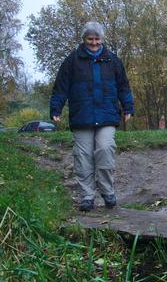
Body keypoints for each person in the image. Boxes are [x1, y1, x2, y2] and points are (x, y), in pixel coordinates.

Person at [50, 21, 134, 212]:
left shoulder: (113, 60)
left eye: (97, 39)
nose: (94, 43)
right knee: (83, 156)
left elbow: (123, 86)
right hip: (82, 116)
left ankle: (108, 192)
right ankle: (87, 196)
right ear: (84, 39)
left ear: (102, 39)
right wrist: (56, 108)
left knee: (105, 149)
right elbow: (60, 87)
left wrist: (128, 106)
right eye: (90, 39)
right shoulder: (72, 61)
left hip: (107, 114)